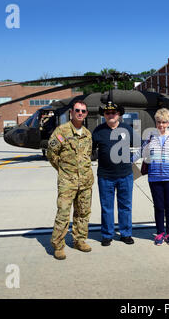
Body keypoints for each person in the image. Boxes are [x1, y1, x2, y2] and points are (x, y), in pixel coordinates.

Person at [47, 100, 94, 260]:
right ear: (71, 112)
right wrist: (63, 170)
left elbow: (87, 156)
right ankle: (58, 245)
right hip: (68, 182)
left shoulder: (87, 134)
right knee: (63, 213)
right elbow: (51, 153)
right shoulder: (61, 131)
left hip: (86, 182)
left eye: (83, 111)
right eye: (77, 110)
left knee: (83, 212)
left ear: (86, 114)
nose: (80, 113)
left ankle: (79, 240)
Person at [92, 101, 135, 246]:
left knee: (125, 206)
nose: (110, 115)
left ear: (119, 114)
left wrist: (130, 160)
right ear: (104, 115)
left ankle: (126, 233)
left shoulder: (127, 129)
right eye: (107, 113)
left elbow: (140, 146)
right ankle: (107, 234)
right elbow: (90, 151)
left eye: (113, 113)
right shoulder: (98, 131)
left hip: (125, 175)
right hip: (105, 176)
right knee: (106, 207)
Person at [141, 108, 169, 246]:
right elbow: (142, 152)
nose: (161, 125)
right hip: (155, 176)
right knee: (158, 206)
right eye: (159, 122)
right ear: (155, 122)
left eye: (164, 122)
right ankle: (160, 232)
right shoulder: (150, 136)